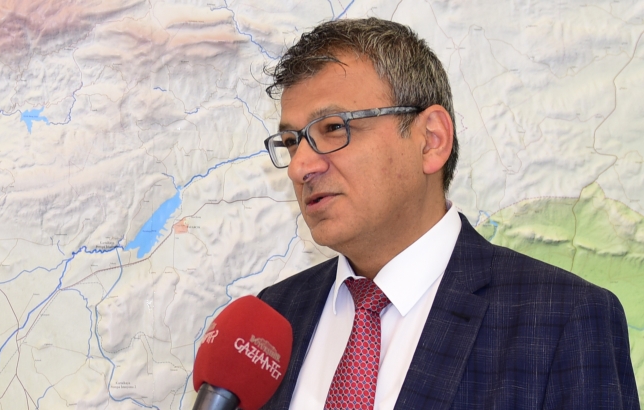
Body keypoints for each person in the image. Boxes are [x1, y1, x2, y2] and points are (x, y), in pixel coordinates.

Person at [256, 18, 639, 410]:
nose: (299, 167)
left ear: (431, 140)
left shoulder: (563, 319)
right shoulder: (273, 317)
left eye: (334, 128)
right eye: (291, 141)